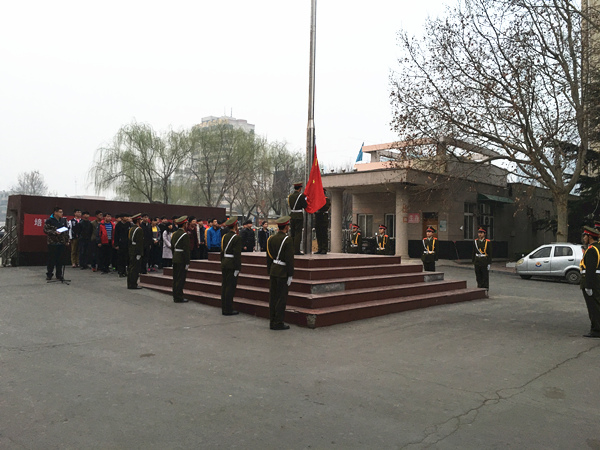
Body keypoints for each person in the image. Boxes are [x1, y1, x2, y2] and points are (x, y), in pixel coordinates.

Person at [266, 216, 294, 330]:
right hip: (282, 272)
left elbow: (268, 257)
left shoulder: (271, 239)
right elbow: (289, 259)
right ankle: (278, 322)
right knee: (281, 298)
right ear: (286, 227)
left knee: (273, 297)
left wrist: (269, 270)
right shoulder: (288, 240)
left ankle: (272, 321)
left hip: (273, 270)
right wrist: (290, 274)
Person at [580, 226, 600, 338]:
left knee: (593, 307)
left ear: (590, 237)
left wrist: (588, 286)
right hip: (597, 280)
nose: (584, 238)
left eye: (585, 236)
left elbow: (590, 269)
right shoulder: (598, 247)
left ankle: (596, 330)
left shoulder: (592, 250)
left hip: (593, 281)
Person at [220, 217, 241, 315]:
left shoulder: (224, 236)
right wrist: (237, 267)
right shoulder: (236, 238)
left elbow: (222, 251)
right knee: (230, 287)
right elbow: (237, 254)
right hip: (232, 264)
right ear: (235, 226)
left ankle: (224, 307)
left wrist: (222, 261)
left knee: (224, 286)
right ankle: (228, 309)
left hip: (225, 262)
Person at [43, 206, 69, 281]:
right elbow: (45, 230)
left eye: (62, 212)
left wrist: (67, 240)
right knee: (51, 259)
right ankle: (49, 274)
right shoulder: (49, 220)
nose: (61, 213)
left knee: (60, 260)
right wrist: (54, 232)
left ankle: (59, 275)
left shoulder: (63, 220)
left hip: (61, 242)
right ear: (55, 212)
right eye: (60, 212)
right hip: (52, 242)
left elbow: (66, 230)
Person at [171, 216, 191, 303]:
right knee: (181, 278)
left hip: (175, 257)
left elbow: (172, 247)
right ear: (184, 224)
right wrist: (187, 262)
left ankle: (175, 294)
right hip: (182, 259)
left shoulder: (174, 234)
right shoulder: (184, 235)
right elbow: (186, 250)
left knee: (175, 278)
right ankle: (179, 296)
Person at [288, 182, 308, 255]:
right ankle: (296, 250)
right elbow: (305, 205)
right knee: (298, 233)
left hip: (292, 215)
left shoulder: (290, 196)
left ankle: (291, 249)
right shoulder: (301, 196)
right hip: (298, 216)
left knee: (292, 233)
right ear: (300, 188)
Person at [472, 227, 492, 293]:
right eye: (479, 233)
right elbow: (473, 252)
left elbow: (489, 253)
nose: (480, 234)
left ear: (484, 234)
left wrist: (489, 263)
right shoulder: (475, 241)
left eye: (481, 233)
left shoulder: (487, 242)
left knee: (485, 275)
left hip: (484, 260)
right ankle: (479, 287)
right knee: (478, 275)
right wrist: (473, 261)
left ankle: (485, 288)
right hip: (477, 260)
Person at [127, 213, 144, 290]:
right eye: (140, 220)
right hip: (136, 250)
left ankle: (130, 283)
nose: (141, 221)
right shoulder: (139, 230)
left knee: (131, 267)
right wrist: (139, 253)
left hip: (132, 249)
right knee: (135, 268)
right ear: (138, 221)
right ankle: (133, 284)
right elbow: (140, 243)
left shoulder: (131, 228)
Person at [314, 189, 331, 254]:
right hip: (318, 218)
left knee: (323, 234)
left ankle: (324, 248)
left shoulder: (326, 200)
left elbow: (325, 207)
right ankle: (320, 248)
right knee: (318, 234)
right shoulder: (317, 200)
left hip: (323, 219)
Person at [114, 213, 130, 277]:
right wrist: (116, 244)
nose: (127, 218)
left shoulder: (129, 224)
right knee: (120, 258)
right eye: (126, 217)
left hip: (127, 244)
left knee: (126, 258)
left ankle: (125, 271)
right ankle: (120, 271)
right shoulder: (118, 225)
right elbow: (116, 235)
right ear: (122, 218)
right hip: (120, 244)